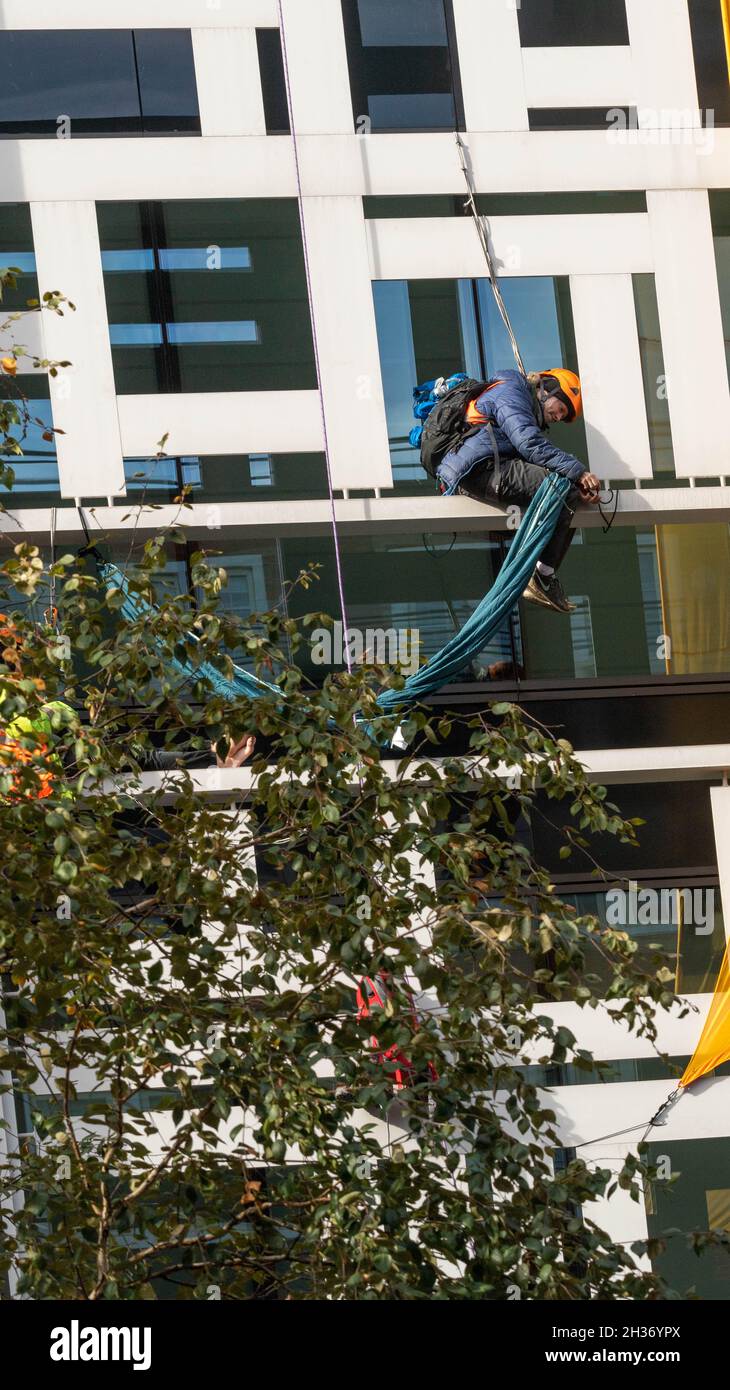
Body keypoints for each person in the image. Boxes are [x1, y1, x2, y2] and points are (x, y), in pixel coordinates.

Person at [436, 369, 602, 614]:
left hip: (484, 468)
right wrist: (578, 474)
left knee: (566, 492)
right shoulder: (511, 393)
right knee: (561, 489)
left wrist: (578, 485)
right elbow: (529, 444)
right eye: (561, 408)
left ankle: (542, 577)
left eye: (563, 414)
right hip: (482, 468)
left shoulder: (518, 401)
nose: (558, 416)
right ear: (546, 389)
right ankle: (542, 578)